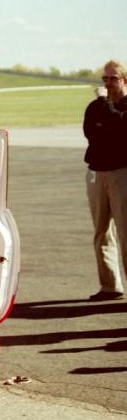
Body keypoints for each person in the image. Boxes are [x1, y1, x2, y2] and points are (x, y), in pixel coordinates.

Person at [83, 60, 127, 301]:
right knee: (101, 232)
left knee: (126, 233)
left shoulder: (110, 105)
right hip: (97, 172)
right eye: (105, 79)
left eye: (113, 78)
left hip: (122, 173)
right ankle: (110, 285)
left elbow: (119, 130)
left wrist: (104, 106)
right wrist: (106, 119)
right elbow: (91, 132)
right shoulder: (95, 107)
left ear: (124, 81)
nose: (108, 84)